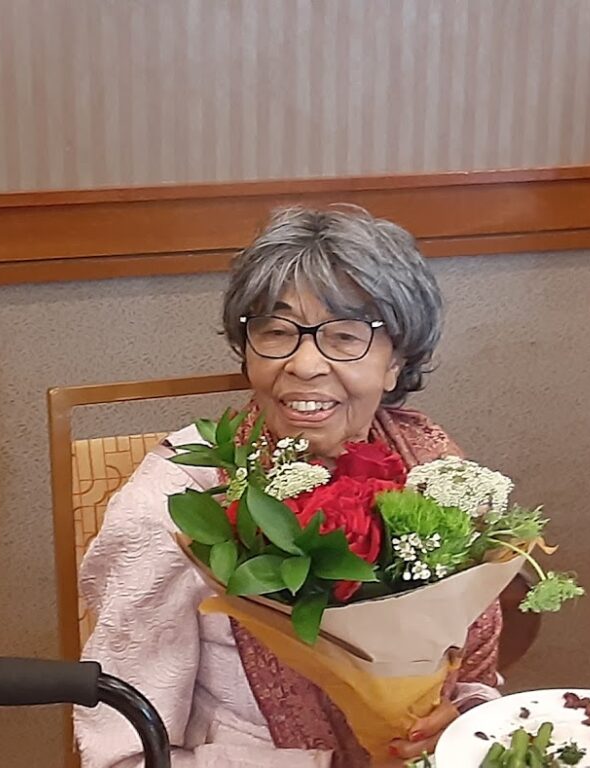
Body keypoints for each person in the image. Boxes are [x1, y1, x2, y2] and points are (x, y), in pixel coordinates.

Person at [76, 207, 503, 768]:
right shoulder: (182, 495)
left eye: (345, 335)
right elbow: (126, 748)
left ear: (395, 361)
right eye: (276, 332)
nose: (303, 365)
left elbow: (476, 682)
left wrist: (458, 727)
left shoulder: (436, 472)